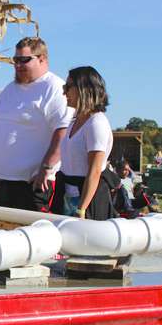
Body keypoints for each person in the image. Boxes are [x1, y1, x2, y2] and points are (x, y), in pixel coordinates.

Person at [0, 37, 73, 212]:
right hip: (5, 183)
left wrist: (46, 168)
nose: (18, 65)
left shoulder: (54, 87)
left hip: (35, 183)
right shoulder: (10, 89)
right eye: (15, 60)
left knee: (33, 236)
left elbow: (62, 132)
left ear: (42, 59)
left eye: (24, 60)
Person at [54, 66, 115, 220]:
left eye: (68, 87)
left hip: (87, 202)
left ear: (84, 89)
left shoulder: (97, 123)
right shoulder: (73, 122)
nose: (64, 92)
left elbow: (94, 171)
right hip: (68, 197)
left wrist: (81, 209)